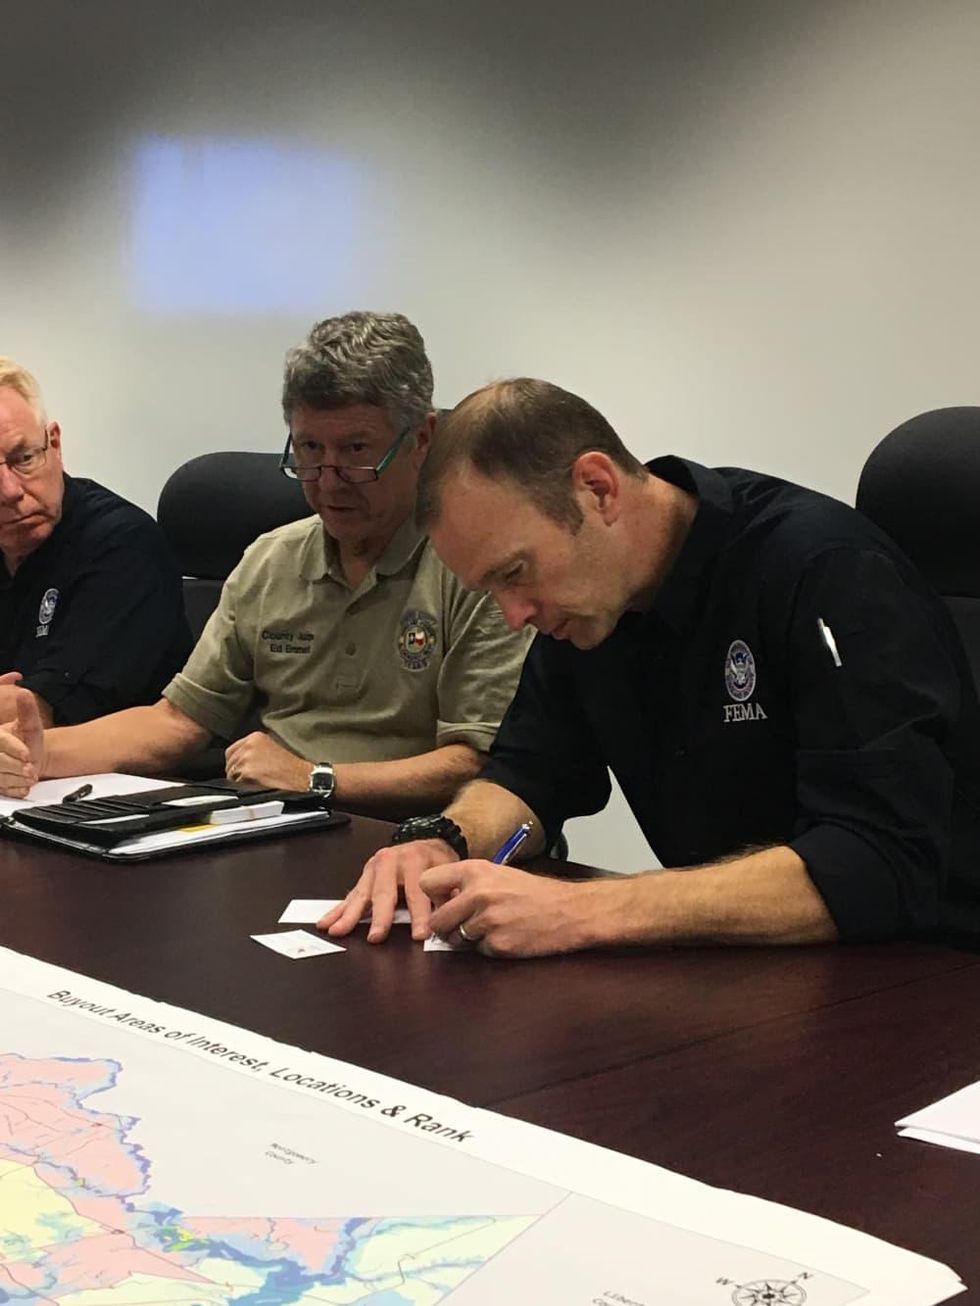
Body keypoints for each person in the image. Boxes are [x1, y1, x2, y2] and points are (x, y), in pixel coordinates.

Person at [322, 377, 980, 952]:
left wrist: (584, 910)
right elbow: (530, 774)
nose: (514, 614)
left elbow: (875, 864)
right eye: (489, 589)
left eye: (515, 573)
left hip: (925, 976)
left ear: (598, 489)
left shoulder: (824, 570)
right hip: (740, 965)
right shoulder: (583, 607)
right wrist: (442, 839)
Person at [0, 317, 531, 808]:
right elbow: (178, 722)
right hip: (268, 823)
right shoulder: (272, 560)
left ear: (422, 440)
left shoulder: (473, 565)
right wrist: (37, 754)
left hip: (413, 835)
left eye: (356, 452)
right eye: (309, 450)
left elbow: (479, 762)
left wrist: (316, 777)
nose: (327, 482)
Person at [0, 356, 191, 730]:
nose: (9, 491)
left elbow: (37, 713)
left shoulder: (123, 544)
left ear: (55, 444)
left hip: (116, 763)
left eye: (23, 459)